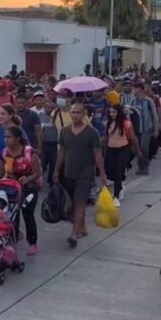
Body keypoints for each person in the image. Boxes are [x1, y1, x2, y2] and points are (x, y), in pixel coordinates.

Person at [53, 103, 107, 248]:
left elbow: (97, 154)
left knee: (80, 202)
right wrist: (56, 170)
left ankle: (74, 234)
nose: (75, 115)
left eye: (78, 112)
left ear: (84, 114)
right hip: (69, 173)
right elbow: (62, 152)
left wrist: (102, 174)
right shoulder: (64, 132)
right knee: (70, 207)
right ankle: (82, 228)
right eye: (73, 112)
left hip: (86, 174)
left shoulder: (92, 133)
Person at [0, 126, 42, 255]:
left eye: (9, 137)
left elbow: (37, 173)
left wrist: (28, 179)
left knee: (28, 214)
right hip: (13, 189)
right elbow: (1, 173)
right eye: (5, 137)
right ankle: (12, 241)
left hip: (30, 189)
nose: (6, 140)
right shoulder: (5, 153)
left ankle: (32, 243)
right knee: (13, 216)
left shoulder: (28, 153)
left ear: (18, 138)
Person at [103, 104, 142, 207]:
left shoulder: (127, 124)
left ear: (119, 113)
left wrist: (138, 151)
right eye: (110, 112)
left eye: (114, 112)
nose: (112, 114)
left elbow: (133, 138)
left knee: (118, 171)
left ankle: (116, 195)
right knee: (109, 169)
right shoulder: (107, 123)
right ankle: (121, 181)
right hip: (111, 149)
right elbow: (106, 138)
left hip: (123, 149)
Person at [131, 82, 158, 175]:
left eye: (134, 89)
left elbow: (154, 115)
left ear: (139, 89)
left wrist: (156, 129)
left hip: (147, 127)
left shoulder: (149, 101)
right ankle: (140, 166)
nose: (133, 91)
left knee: (144, 146)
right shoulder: (133, 101)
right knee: (137, 148)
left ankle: (145, 166)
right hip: (136, 128)